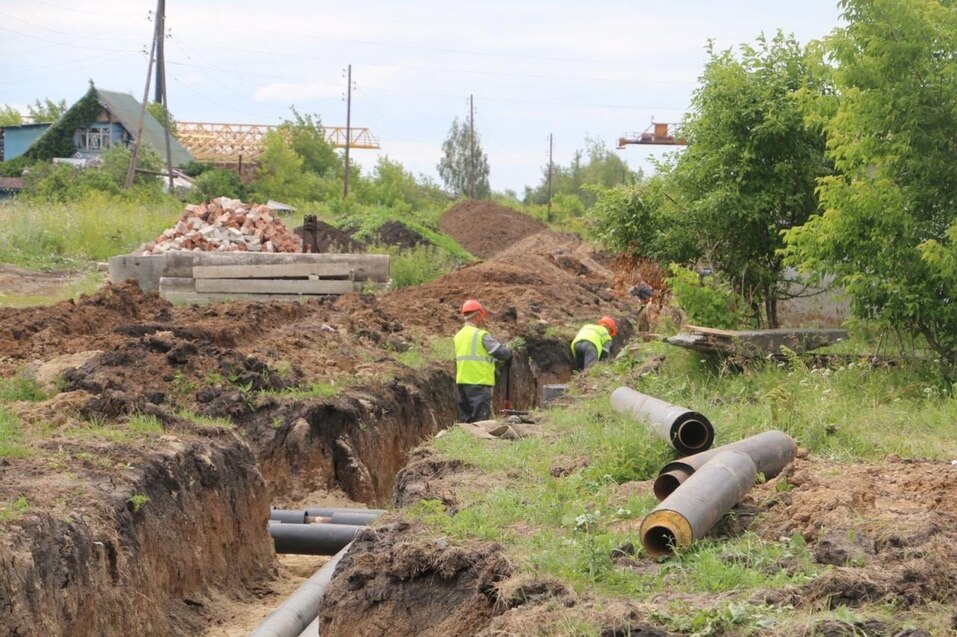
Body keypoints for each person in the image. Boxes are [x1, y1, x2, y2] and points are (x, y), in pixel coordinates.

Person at [454, 299, 512, 423]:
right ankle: (478, 442)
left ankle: (466, 442)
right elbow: (501, 354)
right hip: (478, 383)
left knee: (466, 422)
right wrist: (509, 350)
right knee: (481, 422)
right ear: (478, 314)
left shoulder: (458, 336)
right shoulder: (481, 335)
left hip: (462, 384)